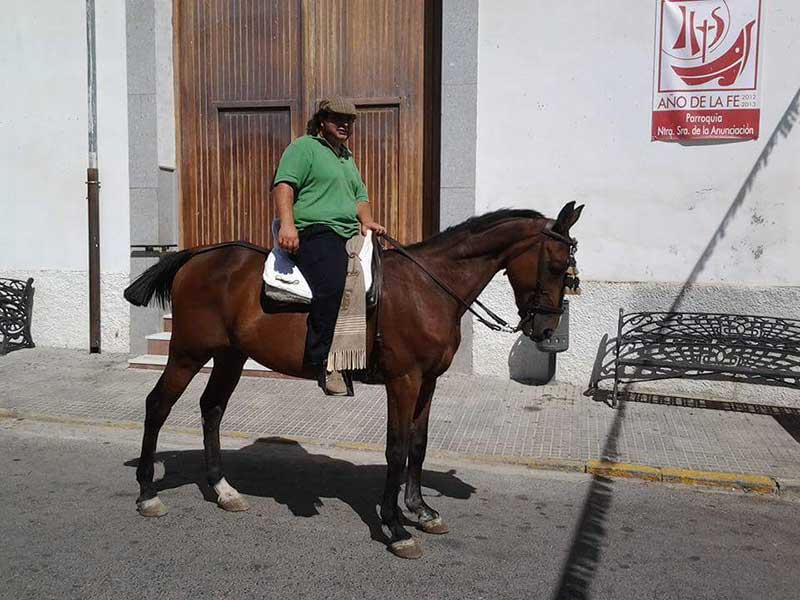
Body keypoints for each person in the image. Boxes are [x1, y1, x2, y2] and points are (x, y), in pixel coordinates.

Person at [272, 97, 386, 395]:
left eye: (349, 120)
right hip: (315, 231)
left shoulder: (347, 157)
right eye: (338, 118)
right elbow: (285, 185)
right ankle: (323, 361)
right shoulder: (304, 147)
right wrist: (287, 225)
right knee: (335, 285)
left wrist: (368, 222)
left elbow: (360, 197)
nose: (345, 124)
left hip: (348, 234)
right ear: (322, 120)